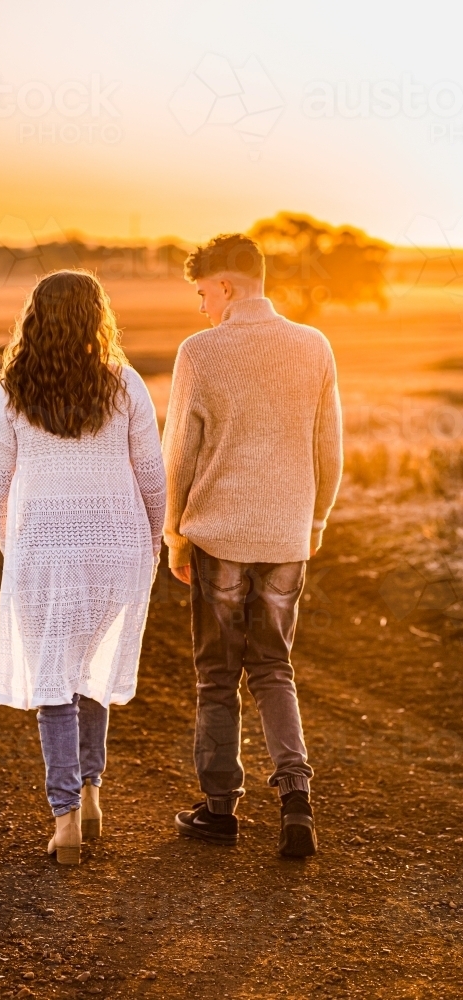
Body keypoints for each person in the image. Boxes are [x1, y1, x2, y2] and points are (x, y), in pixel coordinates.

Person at [162, 233, 343, 857]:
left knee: (218, 676)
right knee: (273, 668)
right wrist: (313, 523)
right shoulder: (314, 345)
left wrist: (174, 535)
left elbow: (178, 454)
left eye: (204, 293)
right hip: (286, 537)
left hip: (220, 538)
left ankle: (220, 812)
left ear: (229, 287)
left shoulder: (201, 352)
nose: (202, 307)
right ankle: (296, 800)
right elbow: (330, 450)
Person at [0, 270, 165, 864]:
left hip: (42, 546)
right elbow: (151, 475)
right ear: (98, 316)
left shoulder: (15, 386)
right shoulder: (126, 382)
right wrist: (155, 539)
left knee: (53, 682)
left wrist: (14, 544)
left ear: (35, 317)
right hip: (115, 546)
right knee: (91, 669)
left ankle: (64, 820)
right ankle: (92, 793)